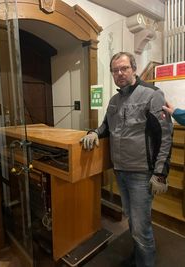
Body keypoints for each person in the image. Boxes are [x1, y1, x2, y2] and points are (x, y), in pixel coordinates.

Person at [80, 52, 173, 267]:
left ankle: (145, 261)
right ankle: (140, 256)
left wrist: (160, 173)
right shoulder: (114, 100)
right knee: (132, 220)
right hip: (120, 171)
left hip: (142, 174)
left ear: (134, 68)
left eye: (124, 68)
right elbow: (106, 126)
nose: (119, 73)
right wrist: (94, 132)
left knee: (141, 227)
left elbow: (165, 136)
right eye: (115, 70)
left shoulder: (152, 94)